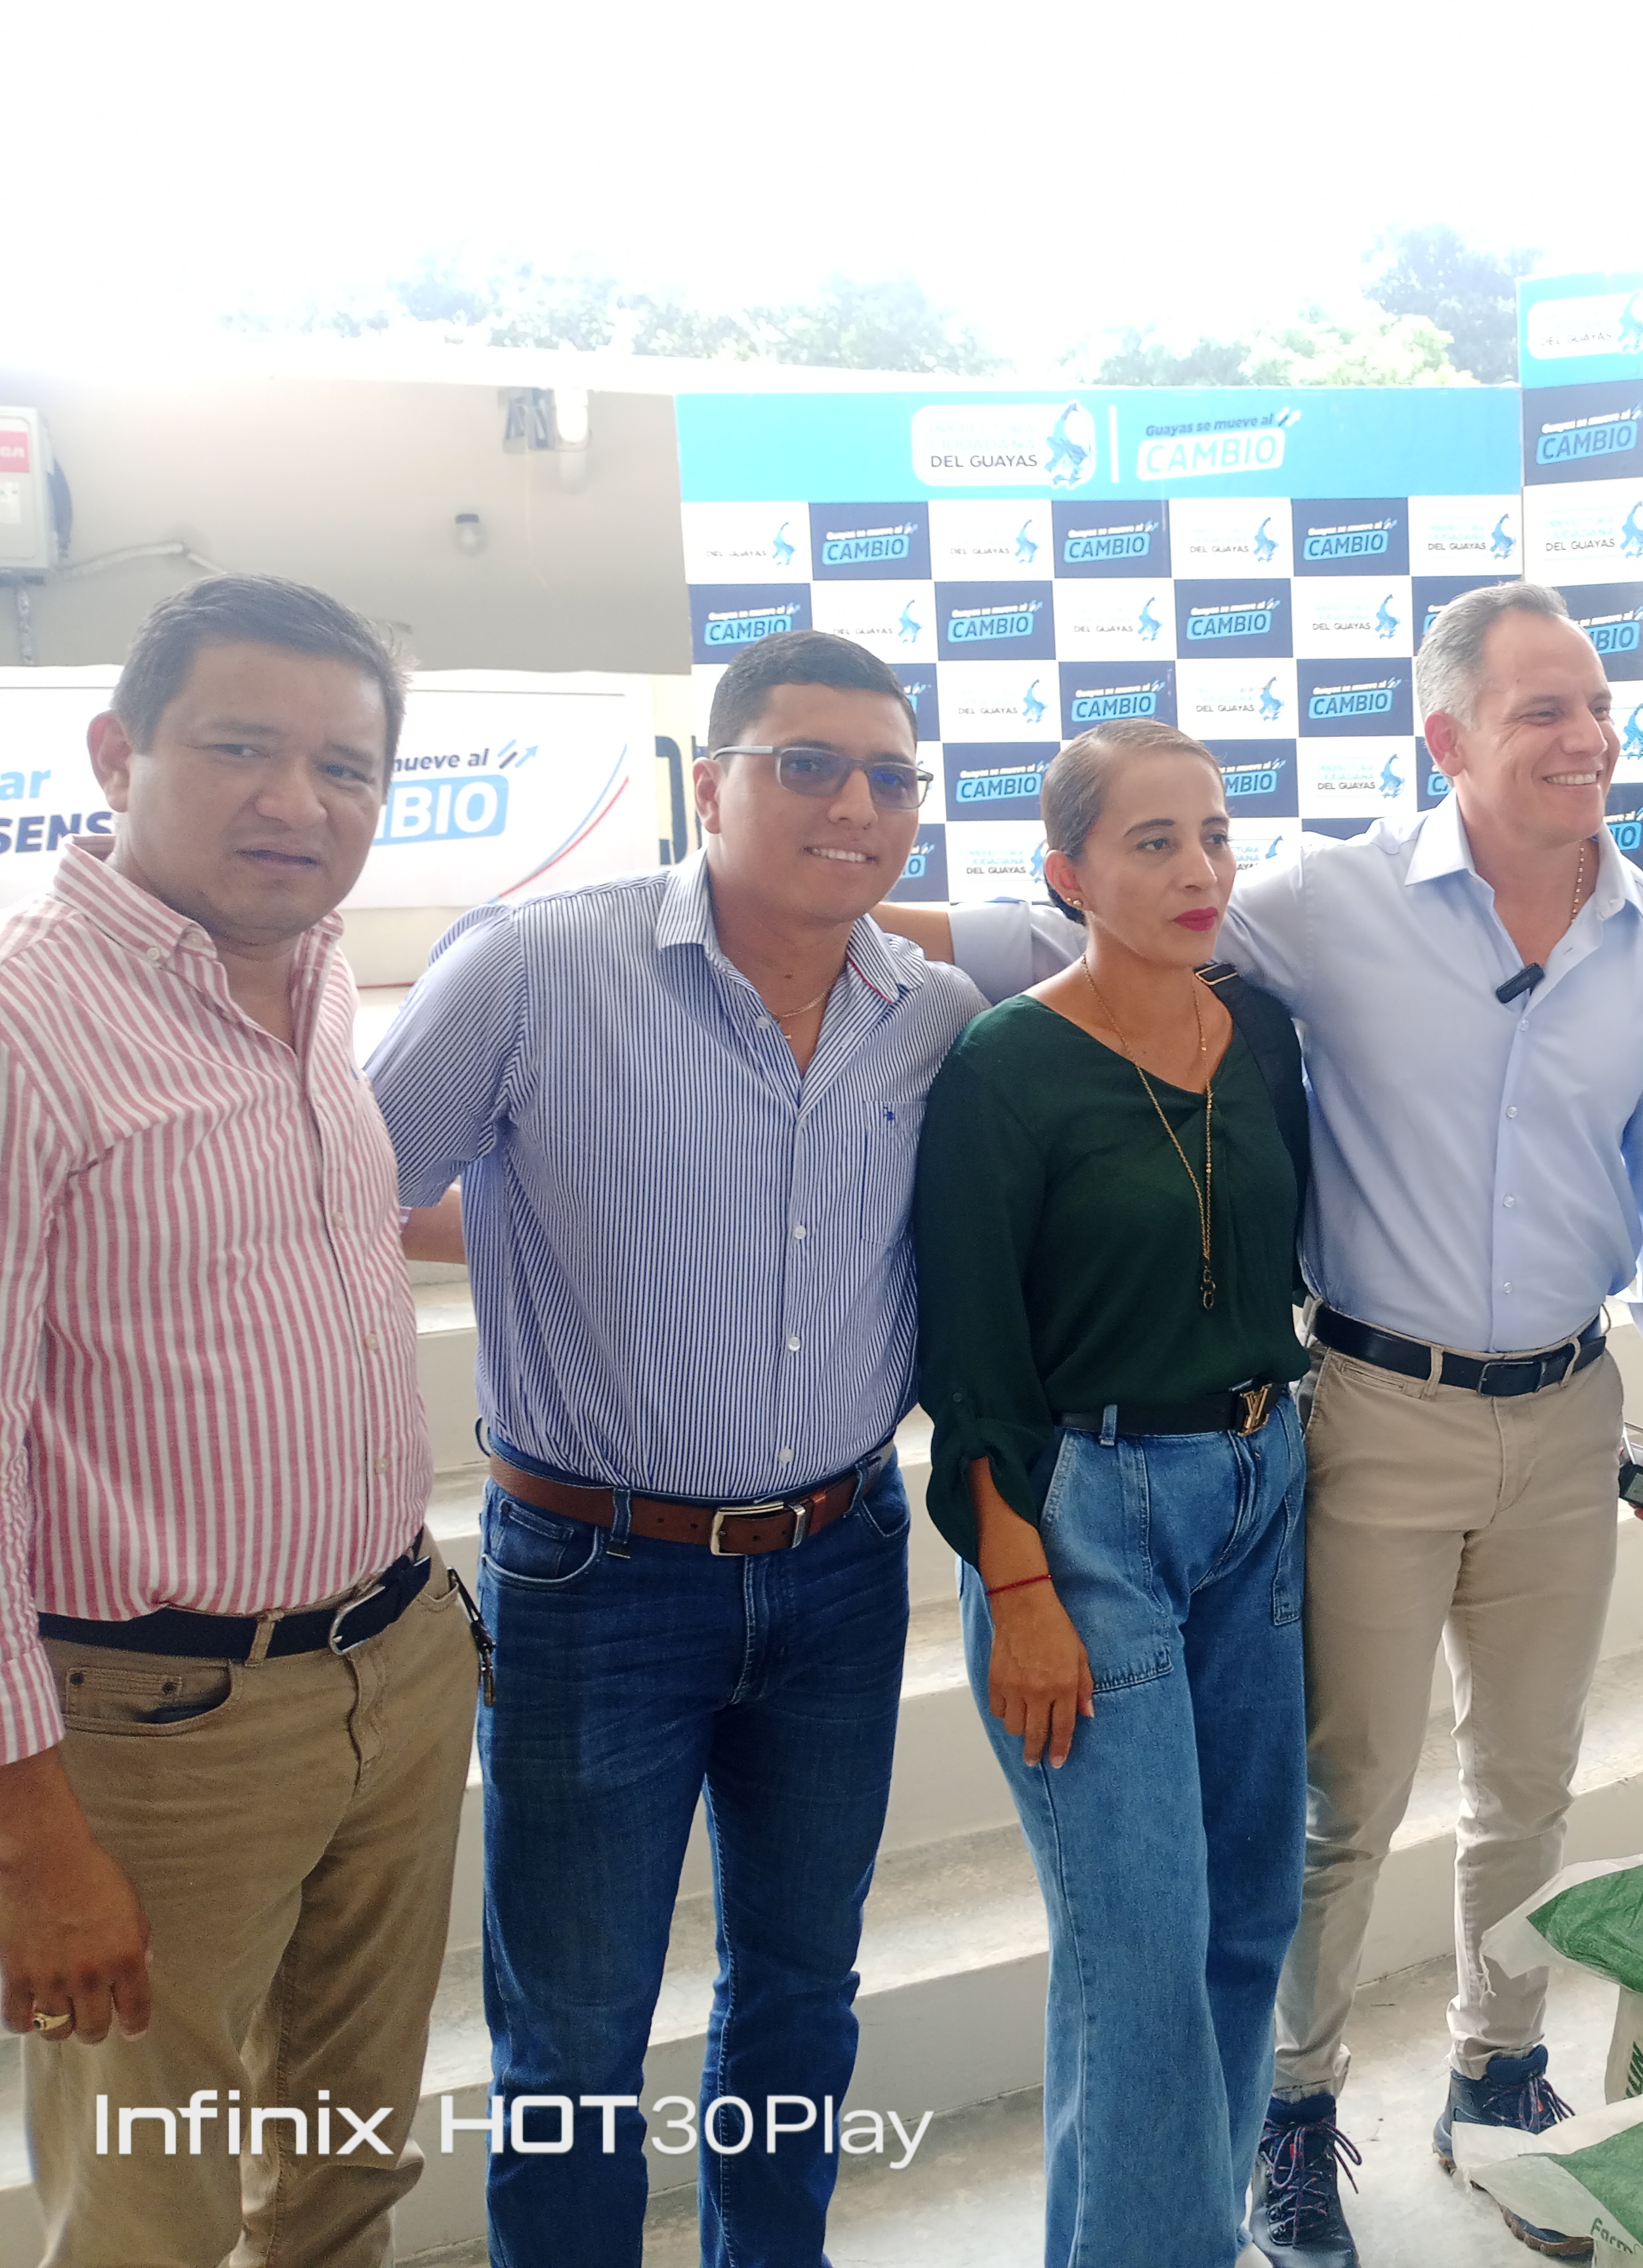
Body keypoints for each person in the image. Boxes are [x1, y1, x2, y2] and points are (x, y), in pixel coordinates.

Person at [940, 578, 1643, 2266]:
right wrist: (813, 912)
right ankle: (1292, 2117)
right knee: (1340, 1802)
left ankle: (1497, 2074)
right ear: (1447, 737)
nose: (1588, 737)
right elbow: (1073, 943)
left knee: (1530, 1781)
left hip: (1571, 1409)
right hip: (1373, 1408)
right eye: (1543, 709)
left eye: (1598, 706)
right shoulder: (1325, 903)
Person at [367, 631, 983, 2267]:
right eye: (808, 765)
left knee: (801, 1988)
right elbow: (353, 1186)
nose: (856, 805)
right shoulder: (532, 967)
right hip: (597, 1578)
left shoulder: (932, 1014)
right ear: (711, 784)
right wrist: (534, 1224)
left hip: (843, 1560)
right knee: (573, 2026)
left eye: (892, 777)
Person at [0, 576, 478, 2267]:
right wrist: (33, 1840)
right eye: (240, 748)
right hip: (158, 1735)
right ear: (117, 753)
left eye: (345, 768)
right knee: (150, 2207)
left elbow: (312, 1240)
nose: (297, 801)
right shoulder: (28, 1031)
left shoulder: (314, 981)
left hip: (394, 1666)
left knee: (349, 2158)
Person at [913, 720, 1312, 2268]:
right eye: (1154, 843)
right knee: (1139, 1950)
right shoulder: (1004, 1068)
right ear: (1066, 874)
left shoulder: (1259, 1029)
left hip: (1261, 1486)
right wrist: (1020, 1592)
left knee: (1246, 1921)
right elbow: (972, 1367)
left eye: (1214, 834)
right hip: (1087, 1514)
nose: (1200, 869)